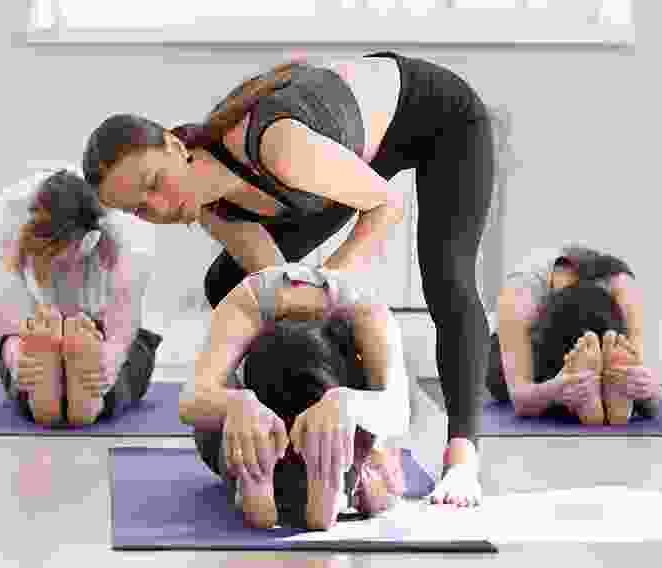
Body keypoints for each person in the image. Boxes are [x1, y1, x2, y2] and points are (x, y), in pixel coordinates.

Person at [83, 52, 493, 506]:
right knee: (229, 283)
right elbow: (274, 285)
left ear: (175, 146)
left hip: (436, 117)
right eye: (140, 209)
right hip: (348, 150)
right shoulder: (211, 207)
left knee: (448, 280)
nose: (158, 208)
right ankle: (295, 418)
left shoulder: (279, 148)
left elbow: (385, 206)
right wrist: (237, 403)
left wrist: (328, 289)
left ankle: (462, 459)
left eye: (154, 183)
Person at [179, 263, 411, 530]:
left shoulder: (368, 314)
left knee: (380, 473)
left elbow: (397, 410)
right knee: (227, 427)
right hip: (261, 414)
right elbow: (191, 400)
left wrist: (349, 404)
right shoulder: (246, 303)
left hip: (334, 407)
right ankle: (266, 470)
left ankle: (330, 471)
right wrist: (238, 404)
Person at [0, 168, 163, 427]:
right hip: (38, 330)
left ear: (90, 241)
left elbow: (122, 320)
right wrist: (17, 353)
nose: (58, 272)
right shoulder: (4, 222)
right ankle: (96, 400)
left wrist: (110, 356)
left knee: (123, 345)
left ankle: (37, 397)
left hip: (87, 329)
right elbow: (4, 313)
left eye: (64, 264)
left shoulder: (128, 231)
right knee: (135, 354)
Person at [489, 245, 662, 425]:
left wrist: (649, 390)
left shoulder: (623, 288)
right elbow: (520, 398)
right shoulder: (520, 294)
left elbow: (643, 378)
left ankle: (596, 383)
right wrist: (553, 391)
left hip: (593, 347)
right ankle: (579, 383)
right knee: (501, 379)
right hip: (523, 352)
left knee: (628, 372)